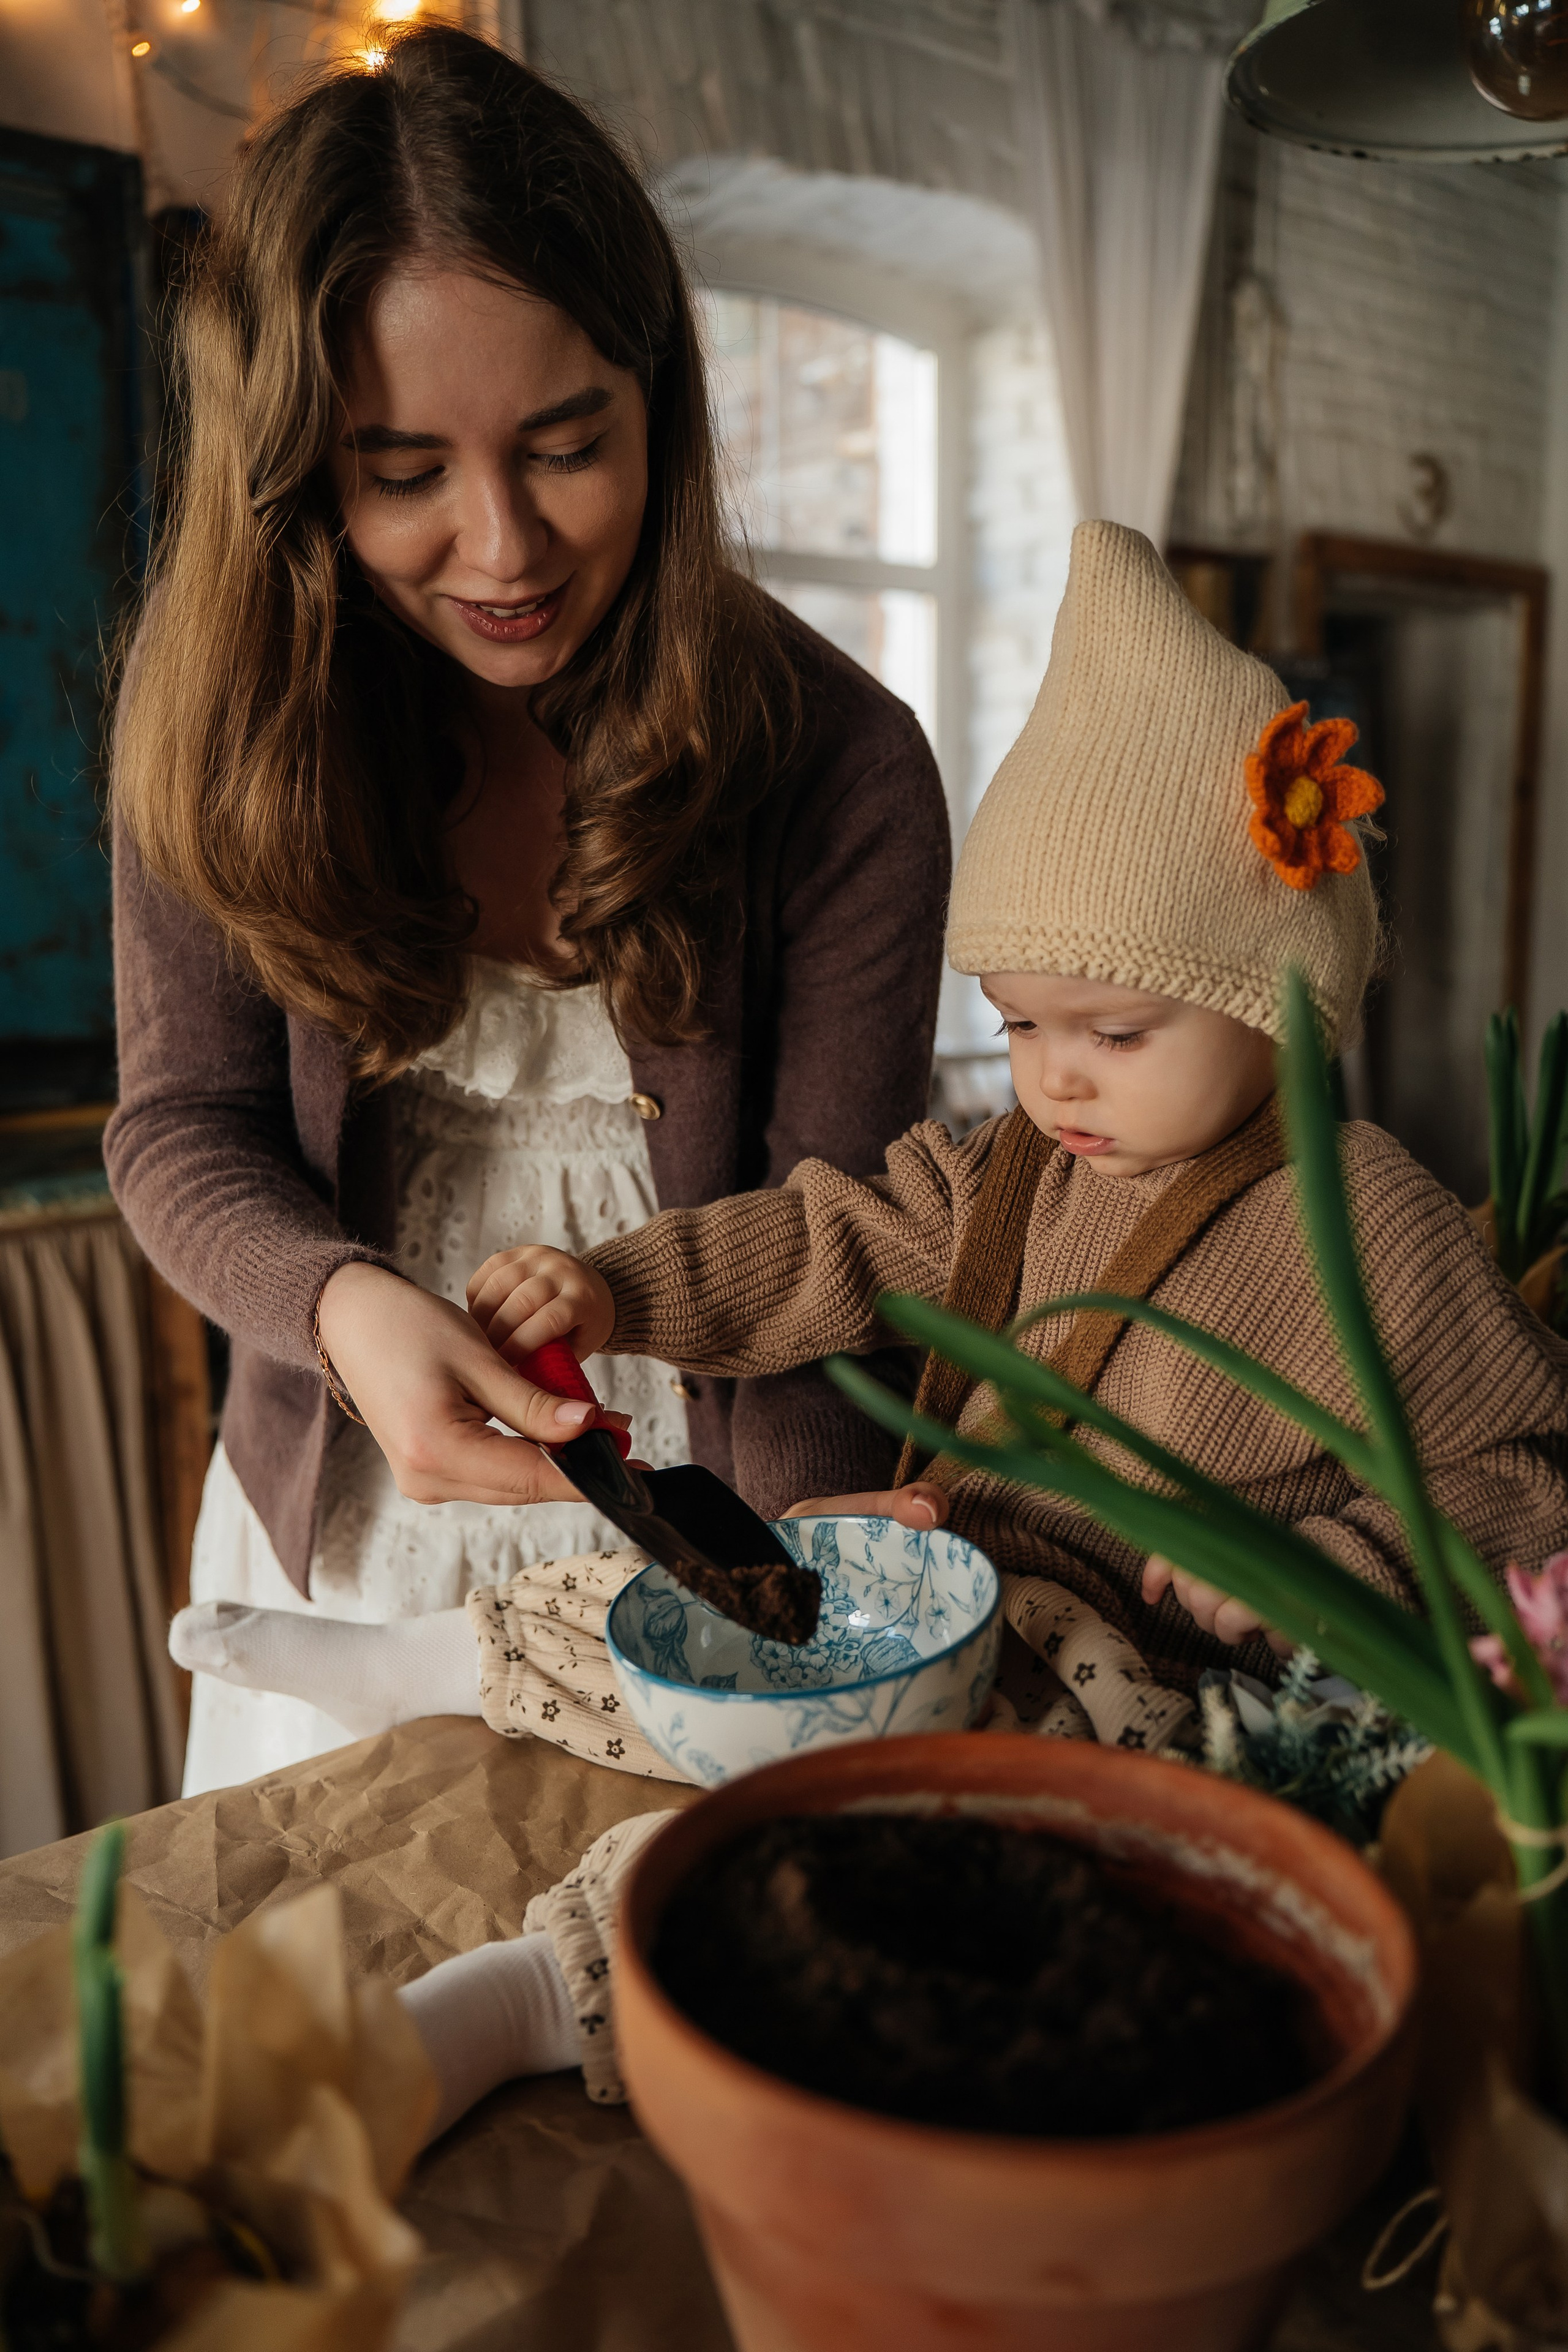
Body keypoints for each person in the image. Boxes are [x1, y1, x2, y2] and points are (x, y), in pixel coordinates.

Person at [176, 519, 1568, 1750]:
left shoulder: (1373, 1225)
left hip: (1139, 1686)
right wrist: (624, 1289)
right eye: (1020, 1028)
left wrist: (1320, 1564)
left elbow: (1522, 1486)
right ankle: (438, 1669)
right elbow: (818, 1236)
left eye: (1113, 1035)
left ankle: (549, 1987)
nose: (1056, 1081)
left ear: (1279, 1008)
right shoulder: (1011, 1171)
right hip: (959, 1606)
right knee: (680, 1599)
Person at [107, 23, 949, 1793]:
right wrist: (338, 1306)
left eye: (568, 446)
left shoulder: (843, 766)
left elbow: (835, 1242)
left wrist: (782, 1629)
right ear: (299, 473)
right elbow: (183, 1128)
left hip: (708, 1517)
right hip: (339, 1524)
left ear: (662, 398)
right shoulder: (220, 725)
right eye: (404, 473)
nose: (502, 549)